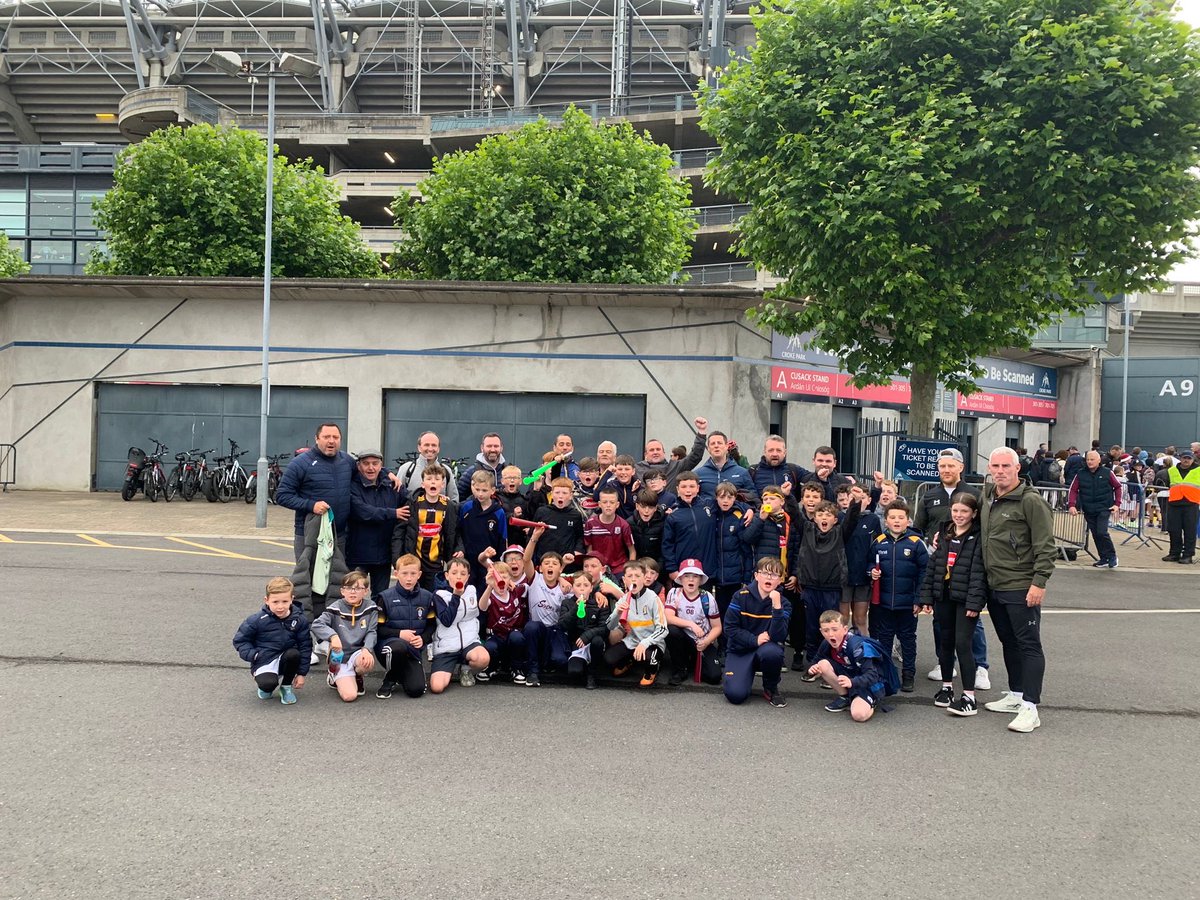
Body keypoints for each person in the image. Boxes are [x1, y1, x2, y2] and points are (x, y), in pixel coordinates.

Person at [980, 446, 1056, 733]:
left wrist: (1039, 583)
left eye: (1005, 467)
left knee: (1029, 645)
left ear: (1017, 469)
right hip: (994, 585)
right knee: (1009, 643)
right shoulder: (988, 497)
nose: (1000, 471)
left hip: (1021, 586)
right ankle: (1015, 694)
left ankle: (1030, 707)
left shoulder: (1031, 501)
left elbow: (1045, 546)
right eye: (995, 466)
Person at [914, 448, 990, 689]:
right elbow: (919, 527)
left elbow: (982, 529)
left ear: (960, 467)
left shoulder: (974, 494)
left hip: (967, 566)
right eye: (941, 466)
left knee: (971, 620)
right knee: (941, 620)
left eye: (950, 466)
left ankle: (980, 667)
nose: (945, 470)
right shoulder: (930, 495)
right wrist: (929, 543)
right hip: (939, 566)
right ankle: (944, 662)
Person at [919, 494, 987, 716]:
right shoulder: (945, 534)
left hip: (965, 599)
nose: (959, 515)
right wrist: (927, 597)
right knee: (945, 643)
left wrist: (975, 603)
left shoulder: (978, 537)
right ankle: (946, 687)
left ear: (974, 514)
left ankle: (969, 696)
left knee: (962, 644)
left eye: (964, 511)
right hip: (944, 597)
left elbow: (979, 574)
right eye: (955, 511)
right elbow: (934, 567)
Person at [792, 495, 861, 680]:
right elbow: (794, 513)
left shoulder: (840, 532)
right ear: (814, 518)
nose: (824, 518)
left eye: (828, 514)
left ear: (835, 519)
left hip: (832, 589)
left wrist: (855, 503)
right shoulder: (807, 529)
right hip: (811, 588)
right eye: (820, 514)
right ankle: (814, 666)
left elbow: (852, 519)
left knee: (831, 630)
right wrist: (789, 495)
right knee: (812, 628)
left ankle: (831, 669)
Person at [868, 500, 929, 693]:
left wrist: (918, 599)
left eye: (901, 518)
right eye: (892, 517)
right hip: (884, 603)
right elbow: (869, 564)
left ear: (907, 521)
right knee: (884, 640)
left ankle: (908, 674)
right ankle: (888, 675)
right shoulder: (878, 542)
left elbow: (924, 572)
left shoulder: (916, 543)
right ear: (886, 521)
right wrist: (871, 572)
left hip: (908, 604)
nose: (896, 521)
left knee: (908, 640)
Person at [276, 422, 356, 561]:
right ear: (317, 439)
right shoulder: (300, 463)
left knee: (338, 580)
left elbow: (367, 472)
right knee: (307, 579)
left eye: (335, 437)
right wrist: (311, 505)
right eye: (326, 437)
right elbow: (282, 496)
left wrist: (386, 474)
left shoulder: (347, 461)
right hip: (309, 536)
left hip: (340, 536)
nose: (331, 441)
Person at [722, 556, 791, 708]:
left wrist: (777, 607)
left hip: (765, 649)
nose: (769, 578)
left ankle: (770, 687)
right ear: (756, 576)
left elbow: (779, 636)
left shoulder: (783, 603)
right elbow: (729, 629)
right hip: (740, 650)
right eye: (765, 573)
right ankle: (744, 673)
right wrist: (754, 640)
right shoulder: (740, 596)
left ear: (779, 580)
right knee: (735, 695)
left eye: (774, 575)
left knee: (773, 652)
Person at [232, 576, 311, 705]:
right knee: (267, 685)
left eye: (285, 601)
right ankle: (265, 684)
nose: (280, 606)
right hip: (264, 659)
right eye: (275, 602)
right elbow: (240, 641)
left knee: (294, 654)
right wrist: (254, 655)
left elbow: (305, 646)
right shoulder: (257, 620)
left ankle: (286, 686)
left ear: (292, 599)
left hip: (286, 658)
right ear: (267, 600)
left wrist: (302, 673)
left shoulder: (299, 620)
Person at [807, 610, 896, 721]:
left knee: (858, 715)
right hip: (849, 677)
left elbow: (873, 675)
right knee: (822, 664)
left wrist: (852, 682)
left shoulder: (857, 647)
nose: (830, 634)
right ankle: (845, 697)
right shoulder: (826, 643)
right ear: (821, 631)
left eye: (835, 629)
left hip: (866, 683)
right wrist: (812, 669)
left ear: (844, 630)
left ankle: (872, 700)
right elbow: (816, 660)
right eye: (826, 630)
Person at [393, 463, 464, 591]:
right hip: (414, 562)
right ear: (422, 483)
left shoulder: (449, 506)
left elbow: (455, 531)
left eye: (437, 479)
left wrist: (459, 548)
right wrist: (397, 559)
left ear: (442, 485)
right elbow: (399, 532)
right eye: (429, 479)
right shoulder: (413, 504)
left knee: (433, 599)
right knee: (412, 596)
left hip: (435, 564)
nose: (433, 482)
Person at [311, 570, 378, 703]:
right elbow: (316, 625)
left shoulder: (371, 607)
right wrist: (333, 636)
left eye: (358, 588)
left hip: (358, 653)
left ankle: (357, 675)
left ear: (366, 591)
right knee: (350, 696)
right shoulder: (335, 608)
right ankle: (333, 673)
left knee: (367, 664)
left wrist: (367, 649)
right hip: (340, 656)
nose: (352, 592)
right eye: (348, 588)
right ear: (342, 591)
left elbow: (372, 631)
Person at [346, 449, 407, 595]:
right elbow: (362, 511)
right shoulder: (351, 486)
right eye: (366, 464)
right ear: (359, 466)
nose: (371, 468)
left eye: (375, 463)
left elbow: (410, 502)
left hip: (383, 555)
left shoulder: (393, 485)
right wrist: (393, 513)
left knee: (380, 597)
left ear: (381, 465)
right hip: (357, 555)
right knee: (353, 594)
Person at [374, 554, 434, 699]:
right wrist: (400, 634)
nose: (409, 578)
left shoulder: (427, 597)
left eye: (413, 574)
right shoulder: (384, 597)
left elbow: (431, 625)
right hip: (389, 646)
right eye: (404, 573)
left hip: (413, 650)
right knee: (399, 647)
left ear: (419, 575)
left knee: (416, 690)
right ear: (396, 574)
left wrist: (423, 639)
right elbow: (378, 629)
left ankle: (400, 673)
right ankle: (390, 678)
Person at [603, 559, 668, 687]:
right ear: (624, 580)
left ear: (644, 579)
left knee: (650, 660)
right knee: (608, 659)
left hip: (652, 642)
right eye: (630, 576)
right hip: (633, 640)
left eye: (637, 576)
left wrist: (645, 643)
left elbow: (663, 629)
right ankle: (631, 660)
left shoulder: (653, 598)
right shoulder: (623, 599)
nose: (633, 580)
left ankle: (653, 670)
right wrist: (617, 612)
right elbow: (609, 626)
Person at [429, 558, 490, 693]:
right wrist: (456, 596)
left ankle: (465, 669)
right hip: (447, 646)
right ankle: (447, 669)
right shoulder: (439, 594)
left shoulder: (472, 590)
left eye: (463, 573)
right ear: (447, 575)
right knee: (437, 687)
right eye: (454, 572)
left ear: (468, 576)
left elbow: (482, 608)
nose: (458, 576)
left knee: (483, 658)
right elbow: (446, 620)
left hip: (469, 642)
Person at [521, 525, 569, 687]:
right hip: (538, 630)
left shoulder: (566, 588)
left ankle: (546, 661)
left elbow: (586, 583)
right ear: (540, 568)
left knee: (560, 661)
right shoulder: (536, 579)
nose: (550, 566)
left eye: (555, 564)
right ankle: (533, 671)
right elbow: (526, 560)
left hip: (555, 631)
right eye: (546, 563)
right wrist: (534, 538)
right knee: (531, 627)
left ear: (561, 568)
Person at [663, 559, 723, 685]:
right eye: (687, 576)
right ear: (681, 579)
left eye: (695, 576)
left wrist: (706, 642)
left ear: (700, 580)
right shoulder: (674, 593)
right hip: (683, 638)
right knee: (671, 630)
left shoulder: (707, 598)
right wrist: (691, 624)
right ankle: (680, 669)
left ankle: (693, 661)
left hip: (702, 641)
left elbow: (717, 627)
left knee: (714, 677)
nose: (691, 580)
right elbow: (668, 617)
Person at [561, 569, 620, 689]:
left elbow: (605, 627)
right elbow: (562, 625)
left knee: (597, 640)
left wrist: (587, 636)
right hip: (577, 644)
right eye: (578, 585)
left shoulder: (600, 603)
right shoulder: (567, 603)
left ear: (591, 588)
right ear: (573, 588)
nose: (582, 588)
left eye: (586, 585)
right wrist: (575, 609)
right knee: (574, 672)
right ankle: (583, 665)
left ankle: (592, 673)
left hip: (593, 642)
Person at [1068, 450, 1123, 569]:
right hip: (1088, 508)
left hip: (1104, 507)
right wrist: (1072, 505)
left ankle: (1112, 556)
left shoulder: (1107, 472)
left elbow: (1118, 487)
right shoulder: (1080, 473)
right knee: (1096, 534)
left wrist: (1117, 504)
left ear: (1099, 460)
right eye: (1088, 459)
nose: (1089, 462)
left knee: (1102, 532)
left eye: (1092, 459)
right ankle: (1103, 558)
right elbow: (1073, 490)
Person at [711, 482, 755, 628]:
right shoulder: (711, 513)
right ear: (716, 498)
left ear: (735, 499)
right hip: (715, 574)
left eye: (730, 497)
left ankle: (732, 645)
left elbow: (747, 551)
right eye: (722, 497)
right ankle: (721, 645)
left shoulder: (739, 516)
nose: (725, 501)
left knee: (735, 613)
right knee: (718, 612)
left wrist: (747, 578)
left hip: (735, 576)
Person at [479, 554, 529, 683]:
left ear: (510, 579)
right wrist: (489, 586)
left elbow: (533, 583)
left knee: (517, 638)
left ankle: (516, 668)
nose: (500, 581)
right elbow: (482, 607)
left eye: (504, 577)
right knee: (490, 647)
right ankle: (492, 667)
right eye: (496, 578)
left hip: (513, 634)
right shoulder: (490, 595)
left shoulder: (517, 591)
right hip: (497, 635)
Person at [661, 471, 718, 579]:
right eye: (684, 487)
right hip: (684, 572)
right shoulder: (673, 514)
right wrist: (672, 569)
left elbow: (730, 502)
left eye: (692, 486)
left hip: (708, 570)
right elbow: (667, 545)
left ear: (698, 488)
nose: (688, 490)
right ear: (677, 489)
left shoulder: (710, 505)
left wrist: (748, 509)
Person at [458, 470, 509, 590]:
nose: (480, 494)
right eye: (477, 489)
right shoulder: (466, 507)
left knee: (485, 592)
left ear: (492, 490)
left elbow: (503, 539)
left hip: (488, 563)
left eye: (484, 490)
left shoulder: (498, 512)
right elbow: (458, 532)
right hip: (468, 560)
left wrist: (499, 563)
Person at [636, 417, 708, 490]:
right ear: (645, 455)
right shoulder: (637, 469)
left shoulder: (675, 467)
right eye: (651, 450)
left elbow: (695, 456)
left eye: (658, 449)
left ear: (664, 453)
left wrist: (701, 433)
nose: (655, 452)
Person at [532, 477, 586, 567]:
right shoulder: (542, 511)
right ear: (552, 494)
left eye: (564, 493)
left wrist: (577, 552)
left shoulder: (575, 515)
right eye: (557, 492)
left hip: (568, 564)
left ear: (570, 495)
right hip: (544, 563)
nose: (560, 496)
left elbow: (579, 537)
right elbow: (532, 535)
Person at [584, 485, 636, 575]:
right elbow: (589, 550)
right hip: (598, 568)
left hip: (619, 568)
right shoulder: (590, 523)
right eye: (605, 502)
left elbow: (632, 551)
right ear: (599, 504)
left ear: (617, 505)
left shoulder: (623, 525)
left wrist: (629, 571)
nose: (608, 505)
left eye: (612, 502)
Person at [395, 431, 459, 503]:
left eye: (434, 445)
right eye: (426, 445)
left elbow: (454, 501)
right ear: (419, 447)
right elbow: (395, 498)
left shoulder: (446, 471)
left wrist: (447, 502)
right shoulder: (406, 469)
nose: (430, 449)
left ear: (438, 448)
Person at [1163, 448, 1200, 564]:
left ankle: (1188, 555)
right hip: (1174, 503)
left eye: (1189, 458)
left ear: (1193, 459)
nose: (1186, 460)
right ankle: (1174, 553)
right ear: (1180, 458)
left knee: (1190, 531)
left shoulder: (1198, 470)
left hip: (1191, 504)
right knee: (1174, 530)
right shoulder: (1172, 470)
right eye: (1184, 458)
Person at [694, 431, 756, 499]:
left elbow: (753, 497)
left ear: (726, 447)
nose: (716, 446)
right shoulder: (698, 474)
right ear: (708, 448)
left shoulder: (742, 473)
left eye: (719, 443)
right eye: (712, 444)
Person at [456, 432, 506, 498]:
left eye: (496, 446)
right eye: (489, 446)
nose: (493, 449)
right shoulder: (470, 472)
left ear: (501, 448)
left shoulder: (507, 472)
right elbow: (459, 499)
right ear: (482, 448)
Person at [628, 488, 666, 568]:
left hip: (656, 567)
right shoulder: (629, 523)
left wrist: (657, 569)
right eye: (643, 507)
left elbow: (665, 550)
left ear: (655, 508)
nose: (646, 511)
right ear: (637, 506)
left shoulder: (663, 523)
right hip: (637, 565)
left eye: (651, 507)